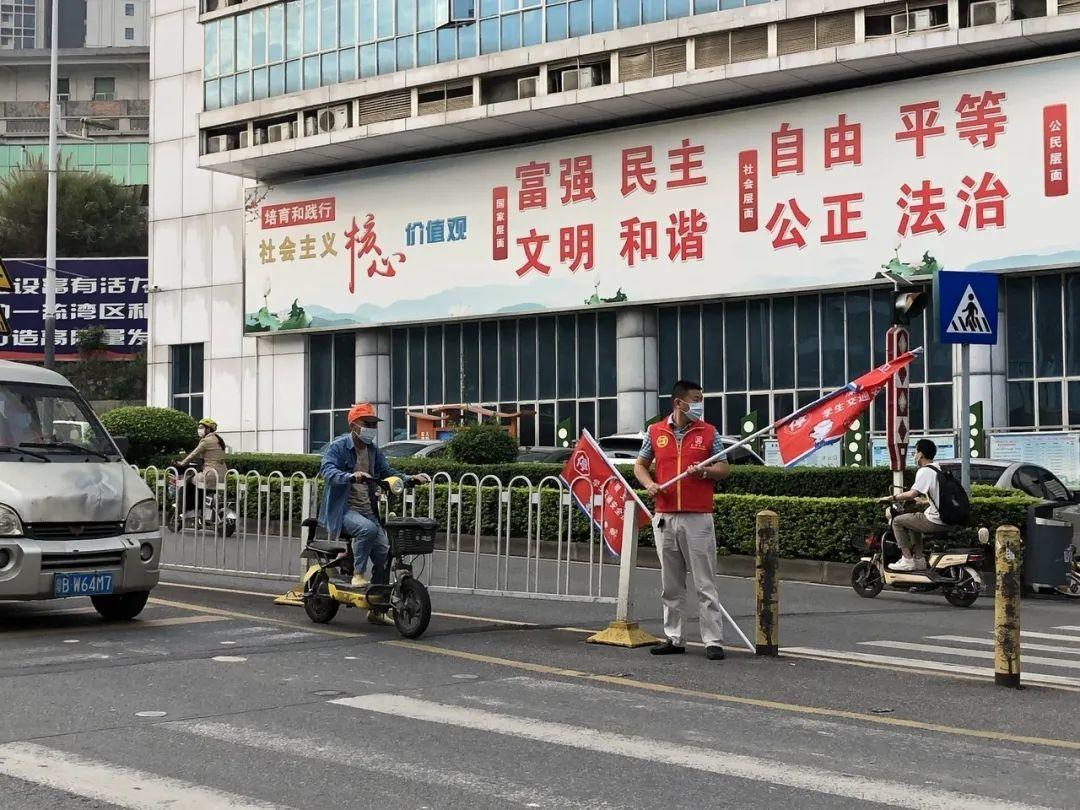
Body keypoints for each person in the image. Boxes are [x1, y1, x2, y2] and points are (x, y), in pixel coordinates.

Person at [634, 380, 730, 661]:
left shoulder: (708, 432)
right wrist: (649, 484)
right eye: (696, 399)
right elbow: (640, 465)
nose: (700, 404)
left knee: (705, 582)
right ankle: (674, 637)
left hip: (698, 517)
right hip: (665, 517)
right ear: (679, 403)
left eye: (701, 398)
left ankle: (713, 640)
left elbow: (724, 467)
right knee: (671, 584)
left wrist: (705, 471)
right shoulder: (655, 432)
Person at [319, 403, 430, 621]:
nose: (371, 428)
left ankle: (377, 609)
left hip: (367, 510)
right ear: (353, 425)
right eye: (367, 423)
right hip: (343, 511)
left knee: (384, 554)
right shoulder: (338, 447)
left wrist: (409, 479)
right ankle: (358, 575)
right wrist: (350, 476)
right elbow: (327, 470)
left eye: (373, 424)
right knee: (367, 530)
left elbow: (387, 472)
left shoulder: (372, 451)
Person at [882, 438, 949, 572]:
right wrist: (924, 501)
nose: (914, 455)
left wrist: (892, 497)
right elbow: (938, 494)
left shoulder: (925, 471)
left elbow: (912, 494)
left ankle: (907, 559)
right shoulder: (938, 468)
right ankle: (919, 560)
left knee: (897, 521)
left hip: (936, 520)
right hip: (947, 517)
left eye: (915, 452)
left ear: (921, 454)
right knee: (913, 523)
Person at [177, 418, 228, 517]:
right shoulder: (219, 440)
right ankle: (200, 509)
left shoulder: (206, 441)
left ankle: (189, 509)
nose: (199, 430)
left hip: (210, 474)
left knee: (187, 485)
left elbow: (193, 454)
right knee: (200, 488)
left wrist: (182, 463)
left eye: (201, 427)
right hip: (222, 474)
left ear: (208, 429)